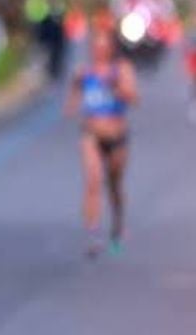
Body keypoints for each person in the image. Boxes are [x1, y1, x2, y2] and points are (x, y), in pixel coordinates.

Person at [65, 31, 137, 258]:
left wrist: (115, 87)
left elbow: (133, 98)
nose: (99, 50)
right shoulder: (84, 72)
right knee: (93, 180)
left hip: (117, 135)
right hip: (91, 134)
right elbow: (71, 106)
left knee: (114, 185)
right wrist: (76, 90)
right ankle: (93, 233)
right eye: (96, 46)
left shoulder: (121, 69)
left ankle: (117, 226)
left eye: (104, 45)